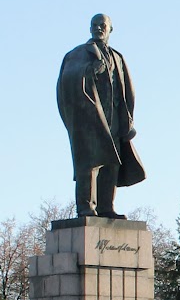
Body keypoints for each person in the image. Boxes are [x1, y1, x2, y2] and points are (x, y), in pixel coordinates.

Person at [56, 13, 146, 218]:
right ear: (89, 28)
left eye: (102, 25)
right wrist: (89, 70)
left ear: (110, 29)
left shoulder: (118, 57)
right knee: (89, 164)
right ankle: (86, 208)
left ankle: (106, 207)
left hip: (114, 118)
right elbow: (67, 79)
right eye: (94, 25)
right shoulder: (79, 54)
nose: (98, 28)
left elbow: (127, 90)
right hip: (90, 118)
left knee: (112, 163)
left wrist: (128, 119)